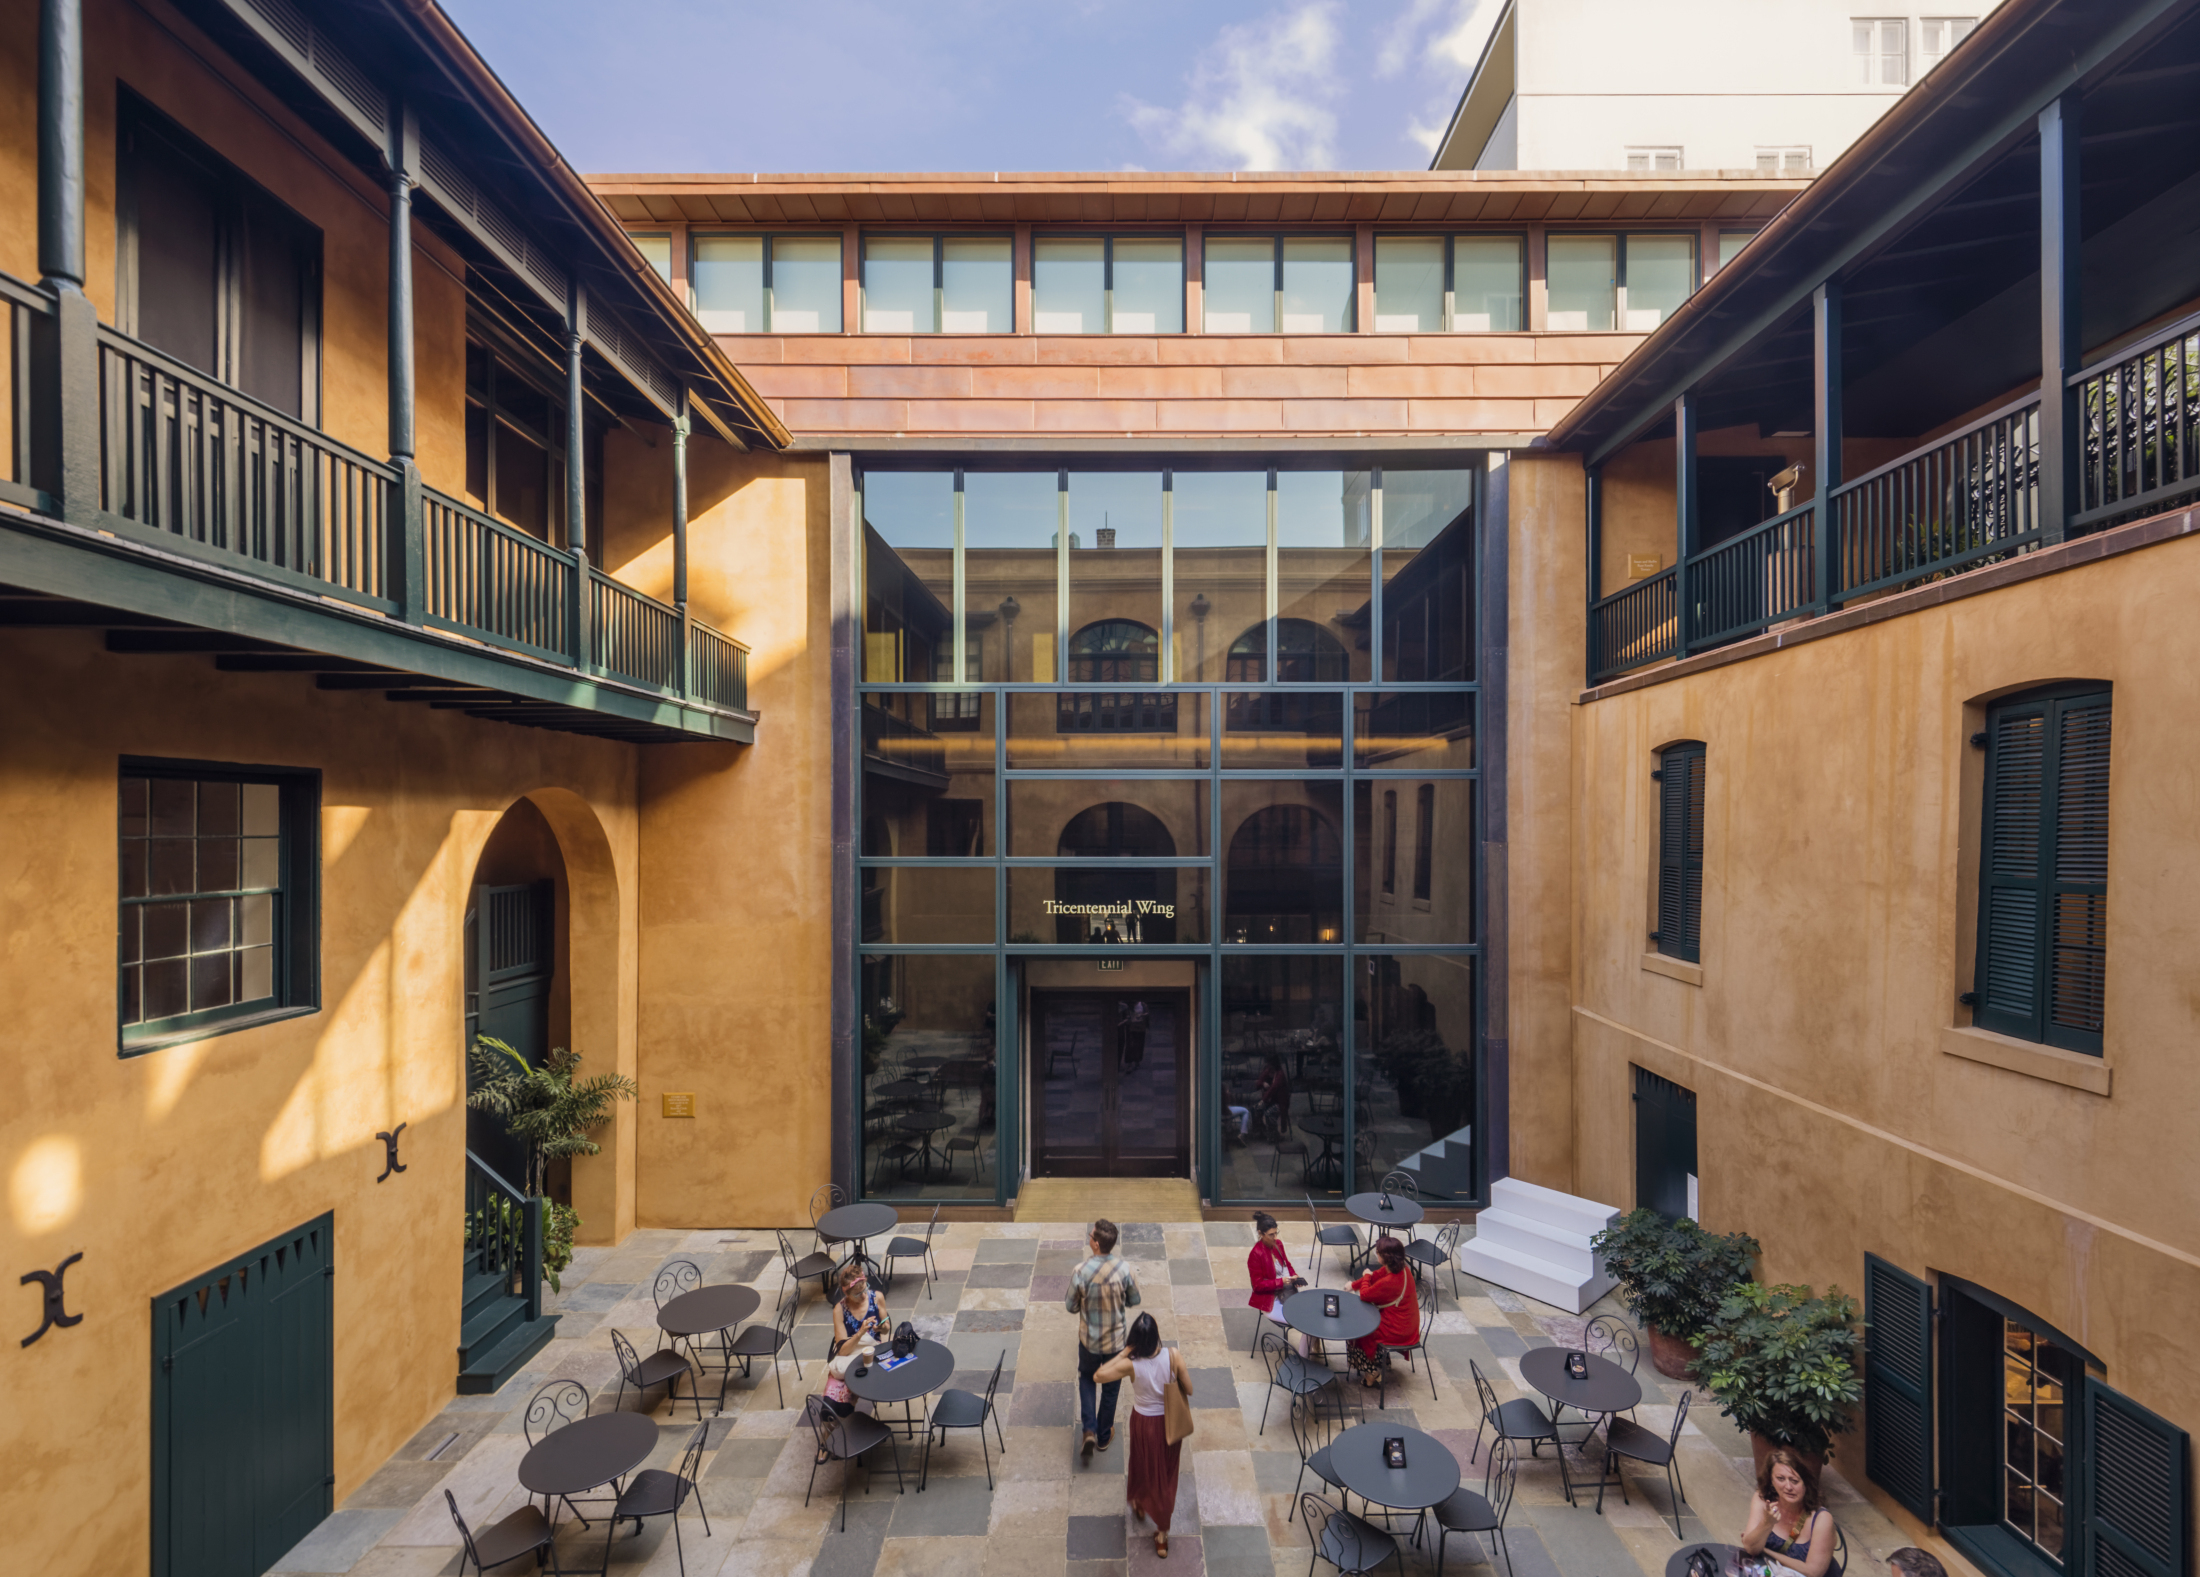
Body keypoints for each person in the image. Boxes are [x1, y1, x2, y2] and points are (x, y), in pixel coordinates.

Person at [1094, 1312, 1191, 1558]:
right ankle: (1162, 1534)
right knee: (1165, 1476)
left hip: (1142, 1423)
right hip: (1169, 1424)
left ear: (1135, 1340)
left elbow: (1098, 1375)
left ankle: (1138, 1502)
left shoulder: (1131, 1364)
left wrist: (1124, 1353)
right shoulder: (1173, 1356)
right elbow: (1189, 1389)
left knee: (1140, 1463)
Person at [1066, 1217, 1142, 1459]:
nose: (1089, 1236)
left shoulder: (1080, 1272)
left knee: (1087, 1378)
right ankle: (1102, 1436)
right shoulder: (1124, 1270)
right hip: (1116, 1343)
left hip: (1089, 1340)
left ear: (1096, 1244)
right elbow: (1134, 1300)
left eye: (1091, 1235)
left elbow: (1071, 1305)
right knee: (1111, 1388)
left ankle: (1088, 1428)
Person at [815, 1267, 889, 1460]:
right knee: (830, 1405)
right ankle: (826, 1442)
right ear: (846, 1293)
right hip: (849, 1356)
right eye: (857, 1294)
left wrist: (883, 1326)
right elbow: (843, 1350)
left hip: (872, 1355)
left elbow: (887, 1325)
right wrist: (860, 1333)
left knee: (847, 1401)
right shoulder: (839, 1309)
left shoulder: (876, 1297)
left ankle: (844, 1438)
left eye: (865, 1290)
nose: (863, 1295)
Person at [1740, 1445, 1838, 1577]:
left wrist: (1766, 1551)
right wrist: (1766, 1523)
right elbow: (1750, 1548)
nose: (1788, 1487)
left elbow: (1813, 1572)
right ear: (1771, 1481)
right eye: (1781, 1479)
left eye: (1794, 1481)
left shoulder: (1822, 1519)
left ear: (1806, 1484)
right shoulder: (1762, 1500)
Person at [1346, 1235, 1418, 1387]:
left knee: (1358, 1329)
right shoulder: (1403, 1269)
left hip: (1398, 1330)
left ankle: (1371, 1371)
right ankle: (1380, 1361)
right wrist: (1353, 1285)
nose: (1376, 1254)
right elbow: (1376, 1275)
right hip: (1408, 1324)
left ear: (1385, 1257)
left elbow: (1365, 1295)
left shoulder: (1389, 1281)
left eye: (1378, 1252)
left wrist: (1364, 1277)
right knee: (1367, 1320)